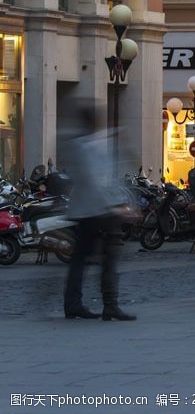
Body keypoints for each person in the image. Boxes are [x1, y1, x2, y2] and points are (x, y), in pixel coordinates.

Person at [63, 104, 135, 321]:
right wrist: (114, 206)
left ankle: (83, 304)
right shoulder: (83, 147)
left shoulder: (84, 144)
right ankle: (102, 304)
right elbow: (94, 180)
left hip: (91, 209)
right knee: (102, 257)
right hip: (93, 211)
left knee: (85, 259)